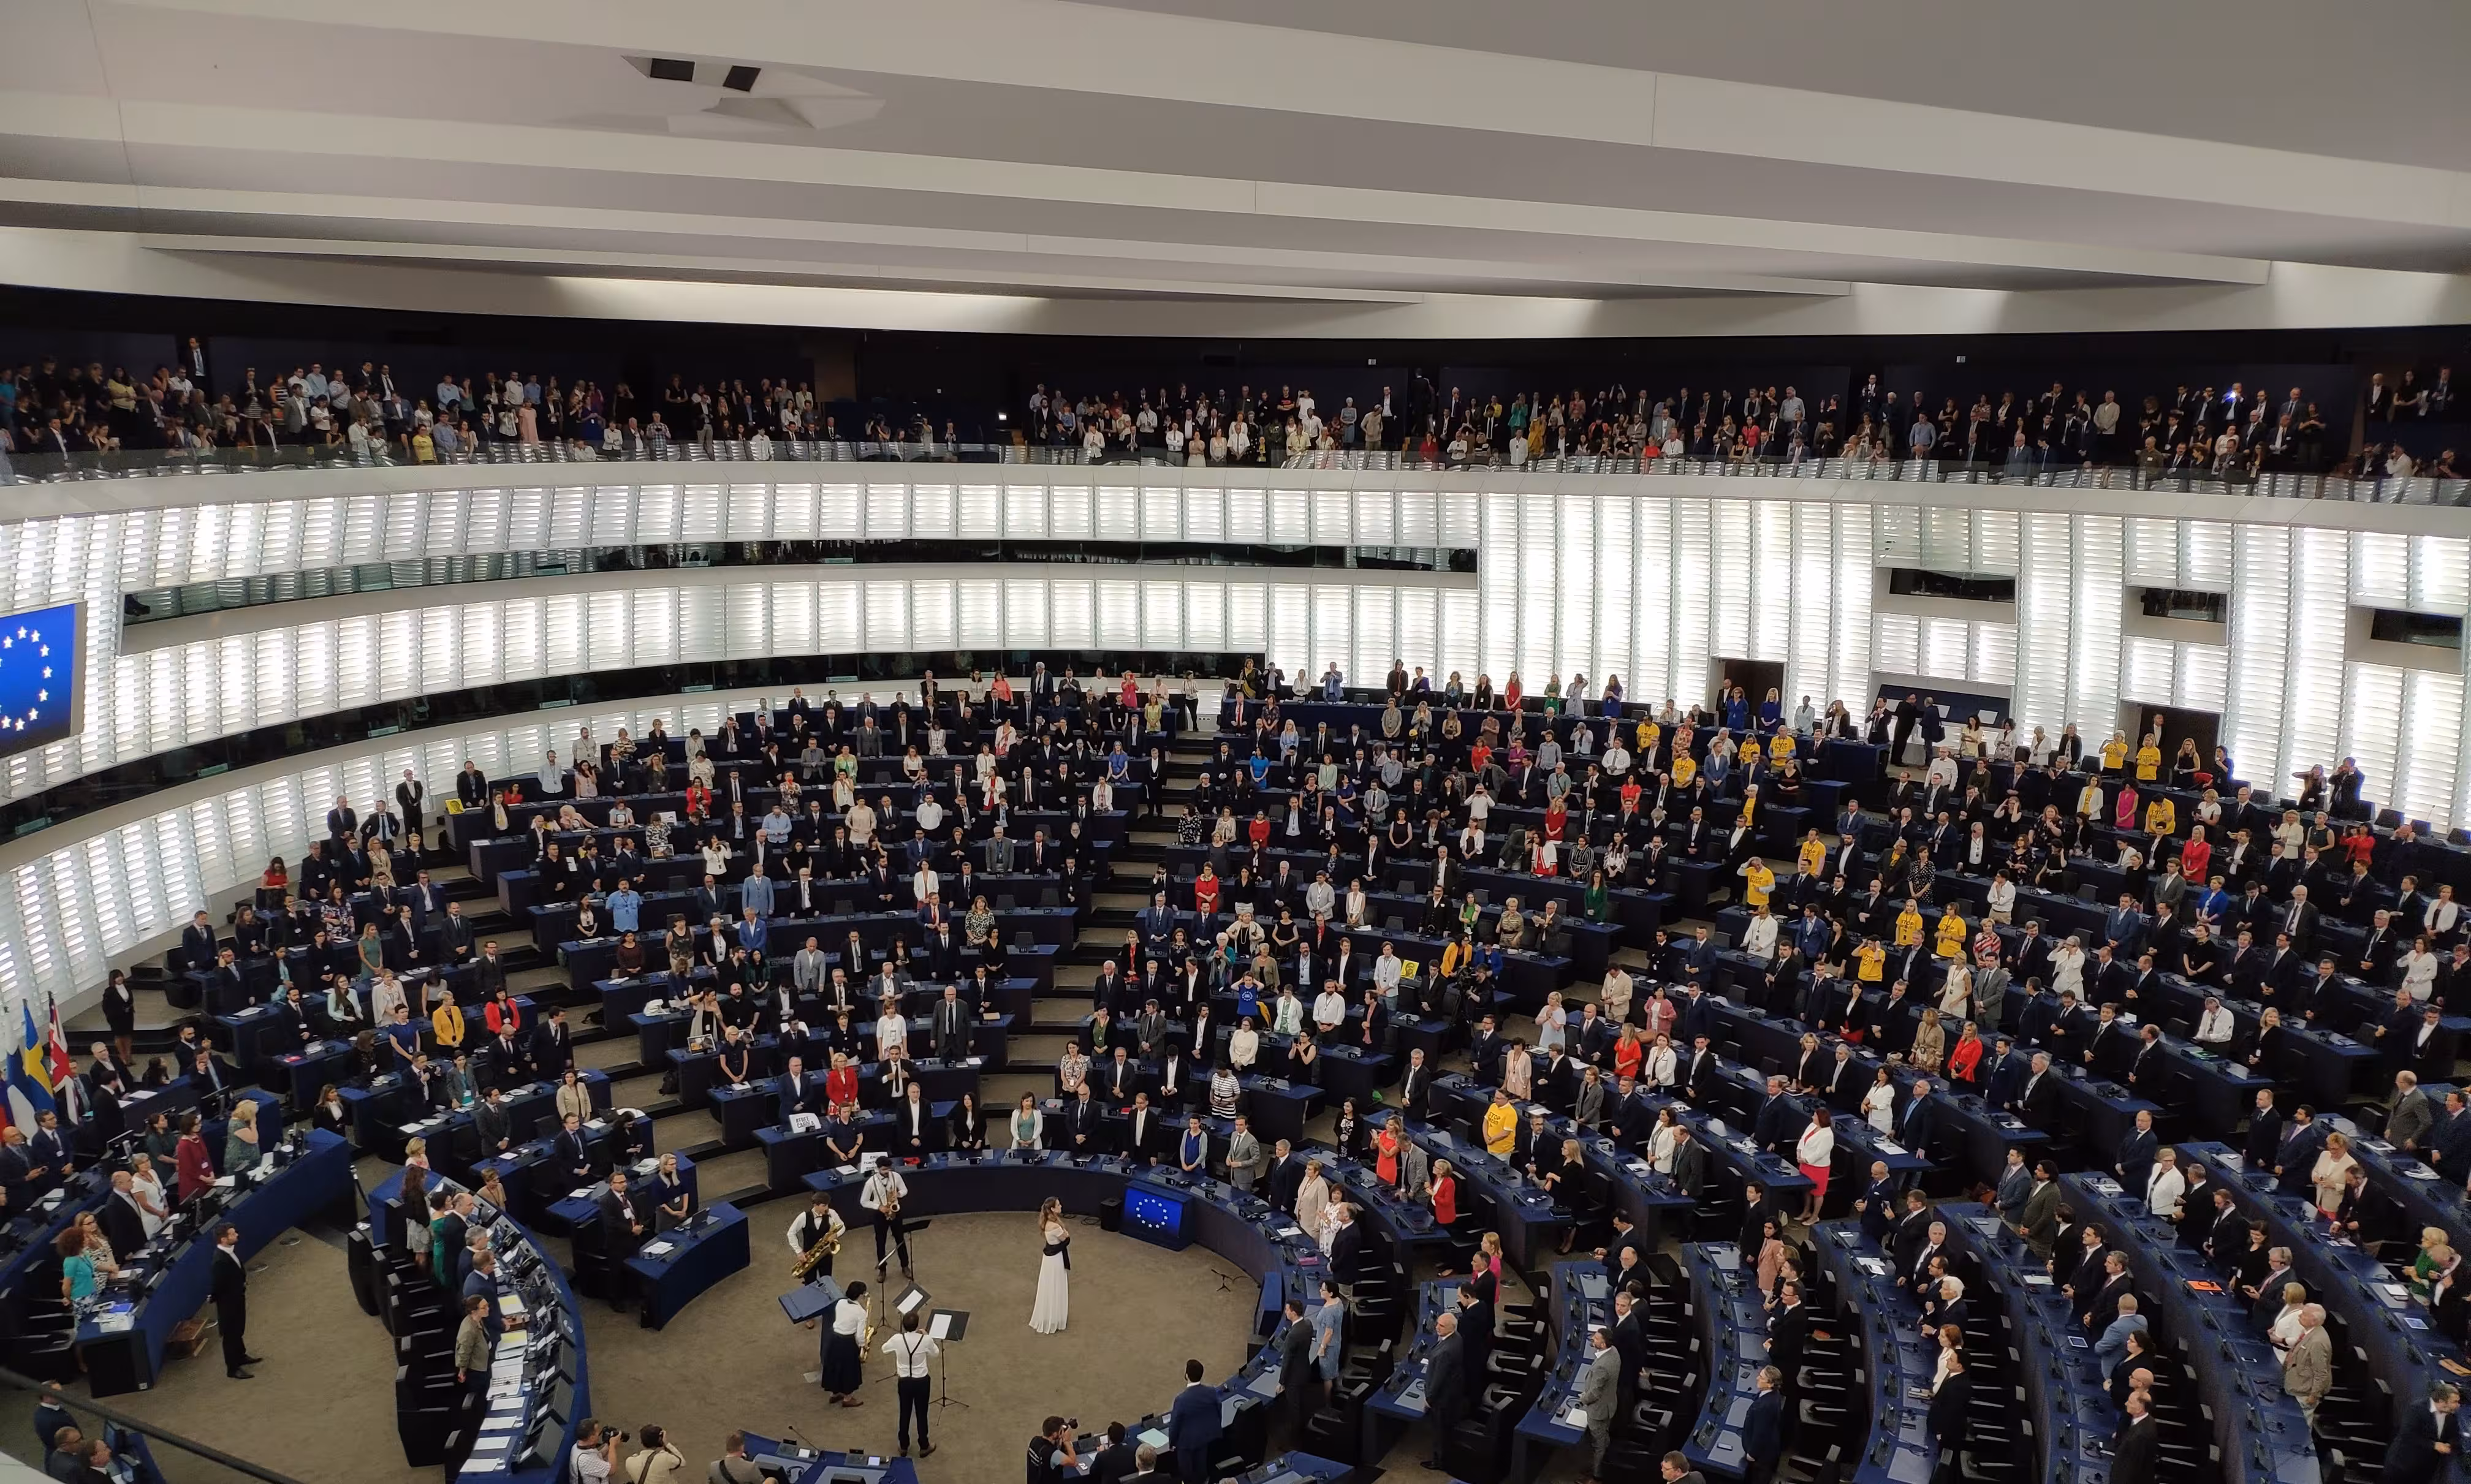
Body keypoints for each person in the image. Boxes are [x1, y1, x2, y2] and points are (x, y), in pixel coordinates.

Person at [882, 1311, 939, 1458]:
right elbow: (935, 1353)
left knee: (905, 1412)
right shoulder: (925, 1340)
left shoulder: (897, 1339)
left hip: (905, 1381)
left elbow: (884, 1349)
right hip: (921, 1381)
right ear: (917, 1325)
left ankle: (903, 1445)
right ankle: (924, 1445)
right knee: (922, 1413)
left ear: (903, 1325)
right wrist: (927, 1336)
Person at [2384, 1382, 2461, 1484]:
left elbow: (2455, 1436)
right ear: (2442, 1401)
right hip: (2402, 1466)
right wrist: (2434, 1445)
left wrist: (2450, 1444)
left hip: (2425, 1471)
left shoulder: (2451, 1415)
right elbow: (2407, 1435)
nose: (2458, 1405)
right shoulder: (2417, 1410)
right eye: (2455, 1402)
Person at [211, 1222, 260, 1379]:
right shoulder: (220, 1260)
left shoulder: (229, 1251)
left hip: (237, 1298)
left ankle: (241, 1356)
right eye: (232, 1234)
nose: (237, 1235)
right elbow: (219, 1285)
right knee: (231, 1335)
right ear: (224, 1240)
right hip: (229, 1304)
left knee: (238, 1329)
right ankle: (233, 1369)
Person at [1419, 1310, 1465, 1471]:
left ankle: (1439, 1461)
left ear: (1451, 1328)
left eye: (1441, 1325)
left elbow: (1438, 1379)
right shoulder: (1456, 1337)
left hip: (1443, 1398)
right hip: (1452, 1391)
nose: (1437, 1327)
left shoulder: (1446, 1351)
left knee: (1439, 1431)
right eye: (1437, 1323)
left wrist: (1429, 1400)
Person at [1575, 1324, 1620, 1484]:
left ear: (1604, 1344)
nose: (1593, 1339)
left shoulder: (1602, 1366)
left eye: (1596, 1339)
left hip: (1599, 1411)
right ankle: (1599, 1465)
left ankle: (1597, 1476)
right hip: (1609, 1405)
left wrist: (1583, 1399)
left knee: (1598, 1444)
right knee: (1603, 1438)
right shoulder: (1614, 1352)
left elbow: (1595, 1393)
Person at [1168, 1359, 1223, 1484]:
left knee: (1187, 1474)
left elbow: (1175, 1424)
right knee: (1201, 1470)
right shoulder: (1211, 1392)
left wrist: (1172, 1442)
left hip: (1186, 1444)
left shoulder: (1181, 1400)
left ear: (1186, 1375)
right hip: (1204, 1439)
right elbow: (1218, 1409)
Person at [821, 1281, 868, 1407]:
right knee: (849, 1371)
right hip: (847, 1342)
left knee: (835, 1367)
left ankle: (835, 1393)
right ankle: (848, 1399)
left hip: (834, 1339)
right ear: (859, 1296)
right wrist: (863, 1345)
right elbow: (859, 1335)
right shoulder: (861, 1312)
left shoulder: (840, 1302)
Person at [1031, 1197, 1072, 1333]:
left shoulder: (1048, 1223)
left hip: (1049, 1260)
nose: (1061, 1206)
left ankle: (1052, 1316)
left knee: (1049, 1285)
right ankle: (1055, 1318)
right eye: (1058, 1205)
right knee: (1056, 1284)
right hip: (1056, 1260)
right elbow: (1066, 1238)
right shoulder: (1055, 1226)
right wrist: (1066, 1235)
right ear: (1053, 1209)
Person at [1744, 1364, 1785, 1484]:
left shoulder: (1764, 1407)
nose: (1757, 1378)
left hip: (1762, 1457)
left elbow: (1760, 1434)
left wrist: (1752, 1454)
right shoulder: (1773, 1394)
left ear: (1771, 1384)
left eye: (1761, 1377)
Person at [621, 1426, 685, 1484]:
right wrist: (666, 1443)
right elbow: (682, 1462)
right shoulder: (664, 1458)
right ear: (660, 1441)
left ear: (642, 1442)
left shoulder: (630, 1461)